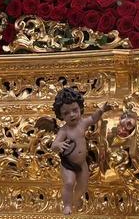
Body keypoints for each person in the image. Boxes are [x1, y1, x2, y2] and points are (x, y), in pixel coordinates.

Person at [50, 87, 115, 215]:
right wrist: (60, 145)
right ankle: (67, 205)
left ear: (80, 108)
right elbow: (54, 145)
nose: (72, 115)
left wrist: (101, 110)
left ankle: (74, 200)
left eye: (75, 110)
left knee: (83, 186)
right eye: (66, 113)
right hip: (68, 164)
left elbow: (93, 119)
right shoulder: (64, 130)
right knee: (69, 183)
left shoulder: (82, 123)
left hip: (82, 163)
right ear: (61, 116)